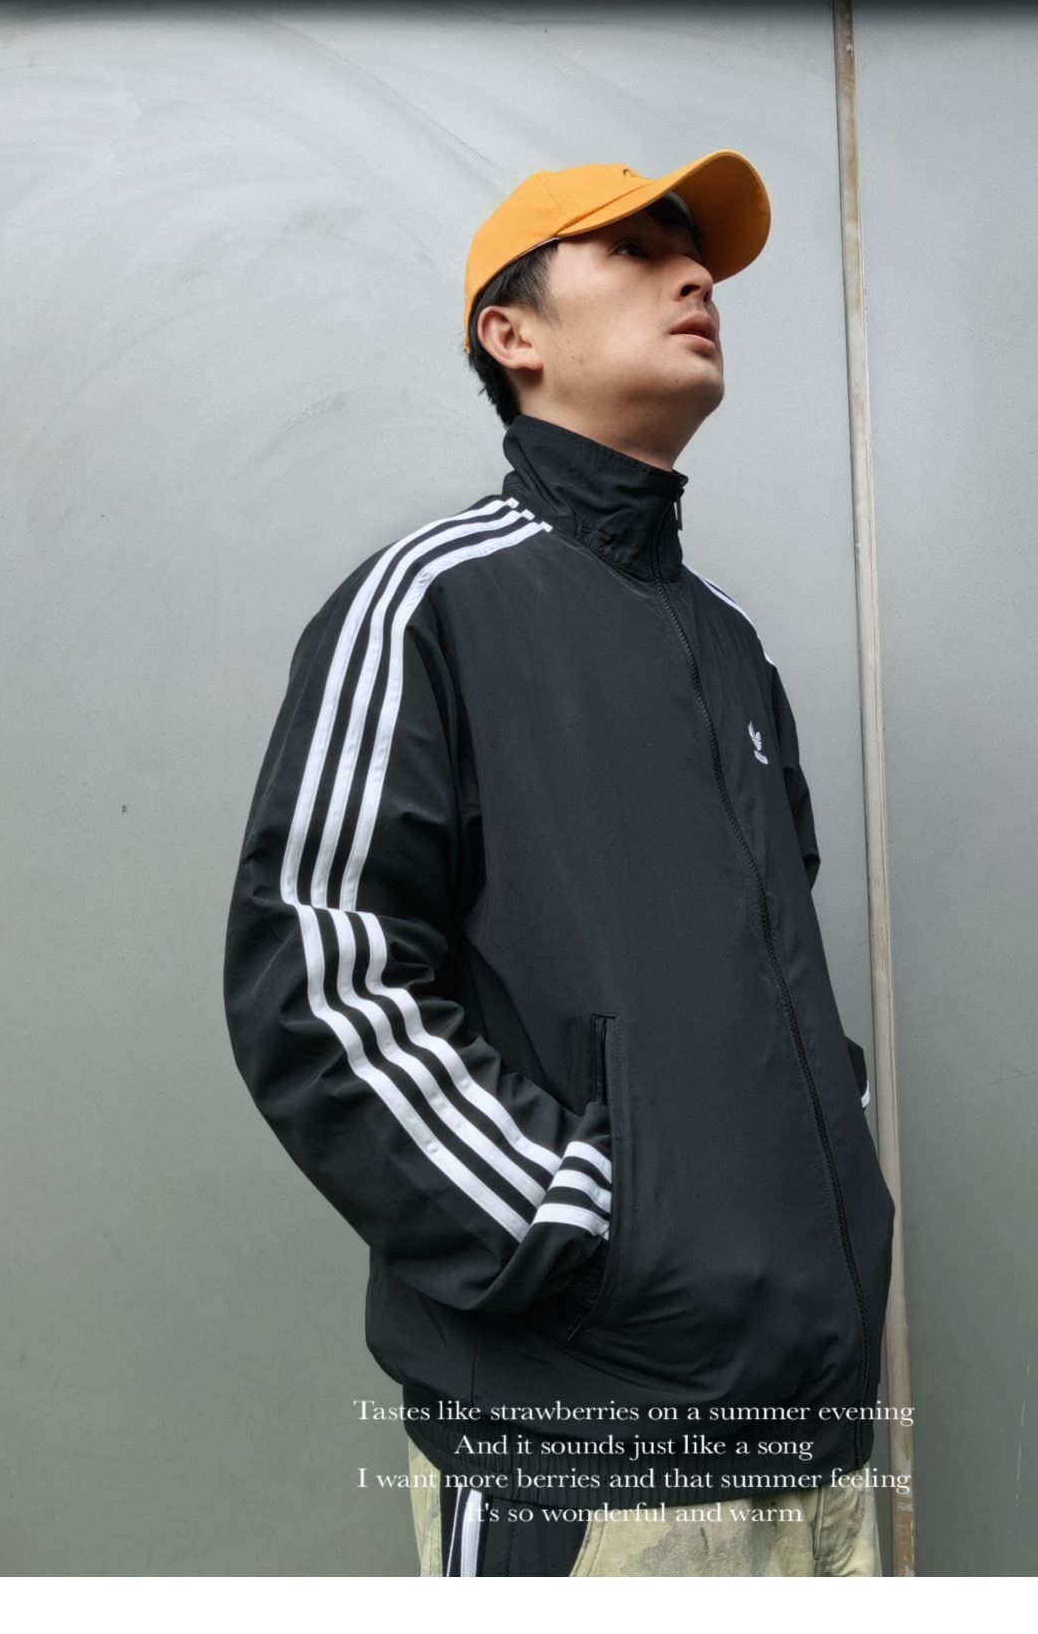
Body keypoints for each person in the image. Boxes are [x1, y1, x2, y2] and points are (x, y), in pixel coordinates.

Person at [223, 150, 896, 1576]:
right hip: (584, 1467)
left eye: (696, 254)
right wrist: (569, 1212)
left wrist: (831, 1159)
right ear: (511, 332)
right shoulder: (429, 605)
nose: (695, 274)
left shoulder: (733, 650)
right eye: (637, 248)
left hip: (817, 1452)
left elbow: (776, 992)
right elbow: (320, 982)